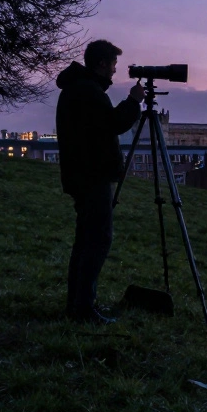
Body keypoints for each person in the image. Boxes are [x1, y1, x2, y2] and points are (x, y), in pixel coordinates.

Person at [55, 39, 145, 324]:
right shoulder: (87, 91)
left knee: (85, 242)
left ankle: (78, 304)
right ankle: (83, 308)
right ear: (101, 63)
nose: (114, 71)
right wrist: (133, 102)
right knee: (97, 241)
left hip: (82, 175)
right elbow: (112, 124)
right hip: (91, 177)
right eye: (112, 65)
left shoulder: (78, 88)